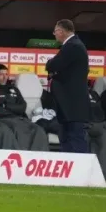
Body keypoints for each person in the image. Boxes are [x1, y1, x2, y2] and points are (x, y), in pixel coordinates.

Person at [46, 19, 90, 153]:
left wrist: (51, 66)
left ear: (61, 31)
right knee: (66, 136)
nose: (54, 34)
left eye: (55, 31)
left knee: (75, 137)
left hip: (73, 104)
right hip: (68, 104)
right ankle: (71, 169)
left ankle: (81, 169)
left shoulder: (73, 45)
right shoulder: (73, 45)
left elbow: (53, 65)